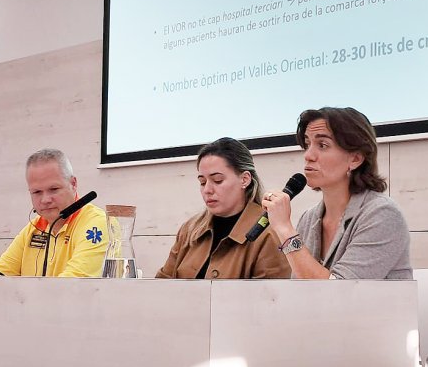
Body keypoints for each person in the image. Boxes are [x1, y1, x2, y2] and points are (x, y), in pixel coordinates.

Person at [261, 107, 412, 280]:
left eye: (322, 145)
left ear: (355, 159)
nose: (308, 155)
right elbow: (300, 290)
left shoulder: (382, 215)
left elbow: (339, 294)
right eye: (308, 144)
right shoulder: (309, 218)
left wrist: (285, 229)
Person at [155, 137, 291, 280]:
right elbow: (161, 286)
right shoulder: (190, 229)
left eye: (217, 180)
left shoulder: (269, 233)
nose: (207, 189)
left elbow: (270, 298)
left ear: (245, 179)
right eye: (202, 182)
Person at [0, 148, 108, 277]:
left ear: (73, 184)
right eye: (37, 192)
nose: (45, 200)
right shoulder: (34, 227)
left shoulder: (97, 223)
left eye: (53, 189)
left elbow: (74, 284)